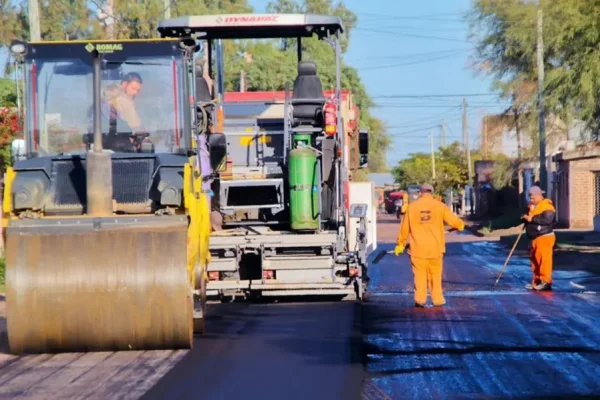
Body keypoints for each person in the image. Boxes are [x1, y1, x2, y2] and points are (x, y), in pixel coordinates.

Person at [394, 183, 465, 307]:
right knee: (435, 276)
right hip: (435, 249)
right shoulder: (440, 206)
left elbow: (404, 228)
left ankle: (420, 300)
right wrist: (460, 224)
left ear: (420, 192)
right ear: (432, 193)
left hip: (417, 249)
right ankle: (437, 299)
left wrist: (400, 244)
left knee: (419, 276)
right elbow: (455, 222)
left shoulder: (412, 207)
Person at [522, 185, 556, 291]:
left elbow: (548, 220)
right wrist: (525, 217)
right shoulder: (532, 206)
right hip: (535, 238)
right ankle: (537, 281)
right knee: (535, 260)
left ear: (539, 195)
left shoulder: (547, 205)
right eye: (530, 198)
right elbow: (528, 217)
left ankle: (545, 281)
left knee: (544, 260)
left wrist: (531, 219)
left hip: (544, 236)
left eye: (533, 198)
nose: (532, 200)